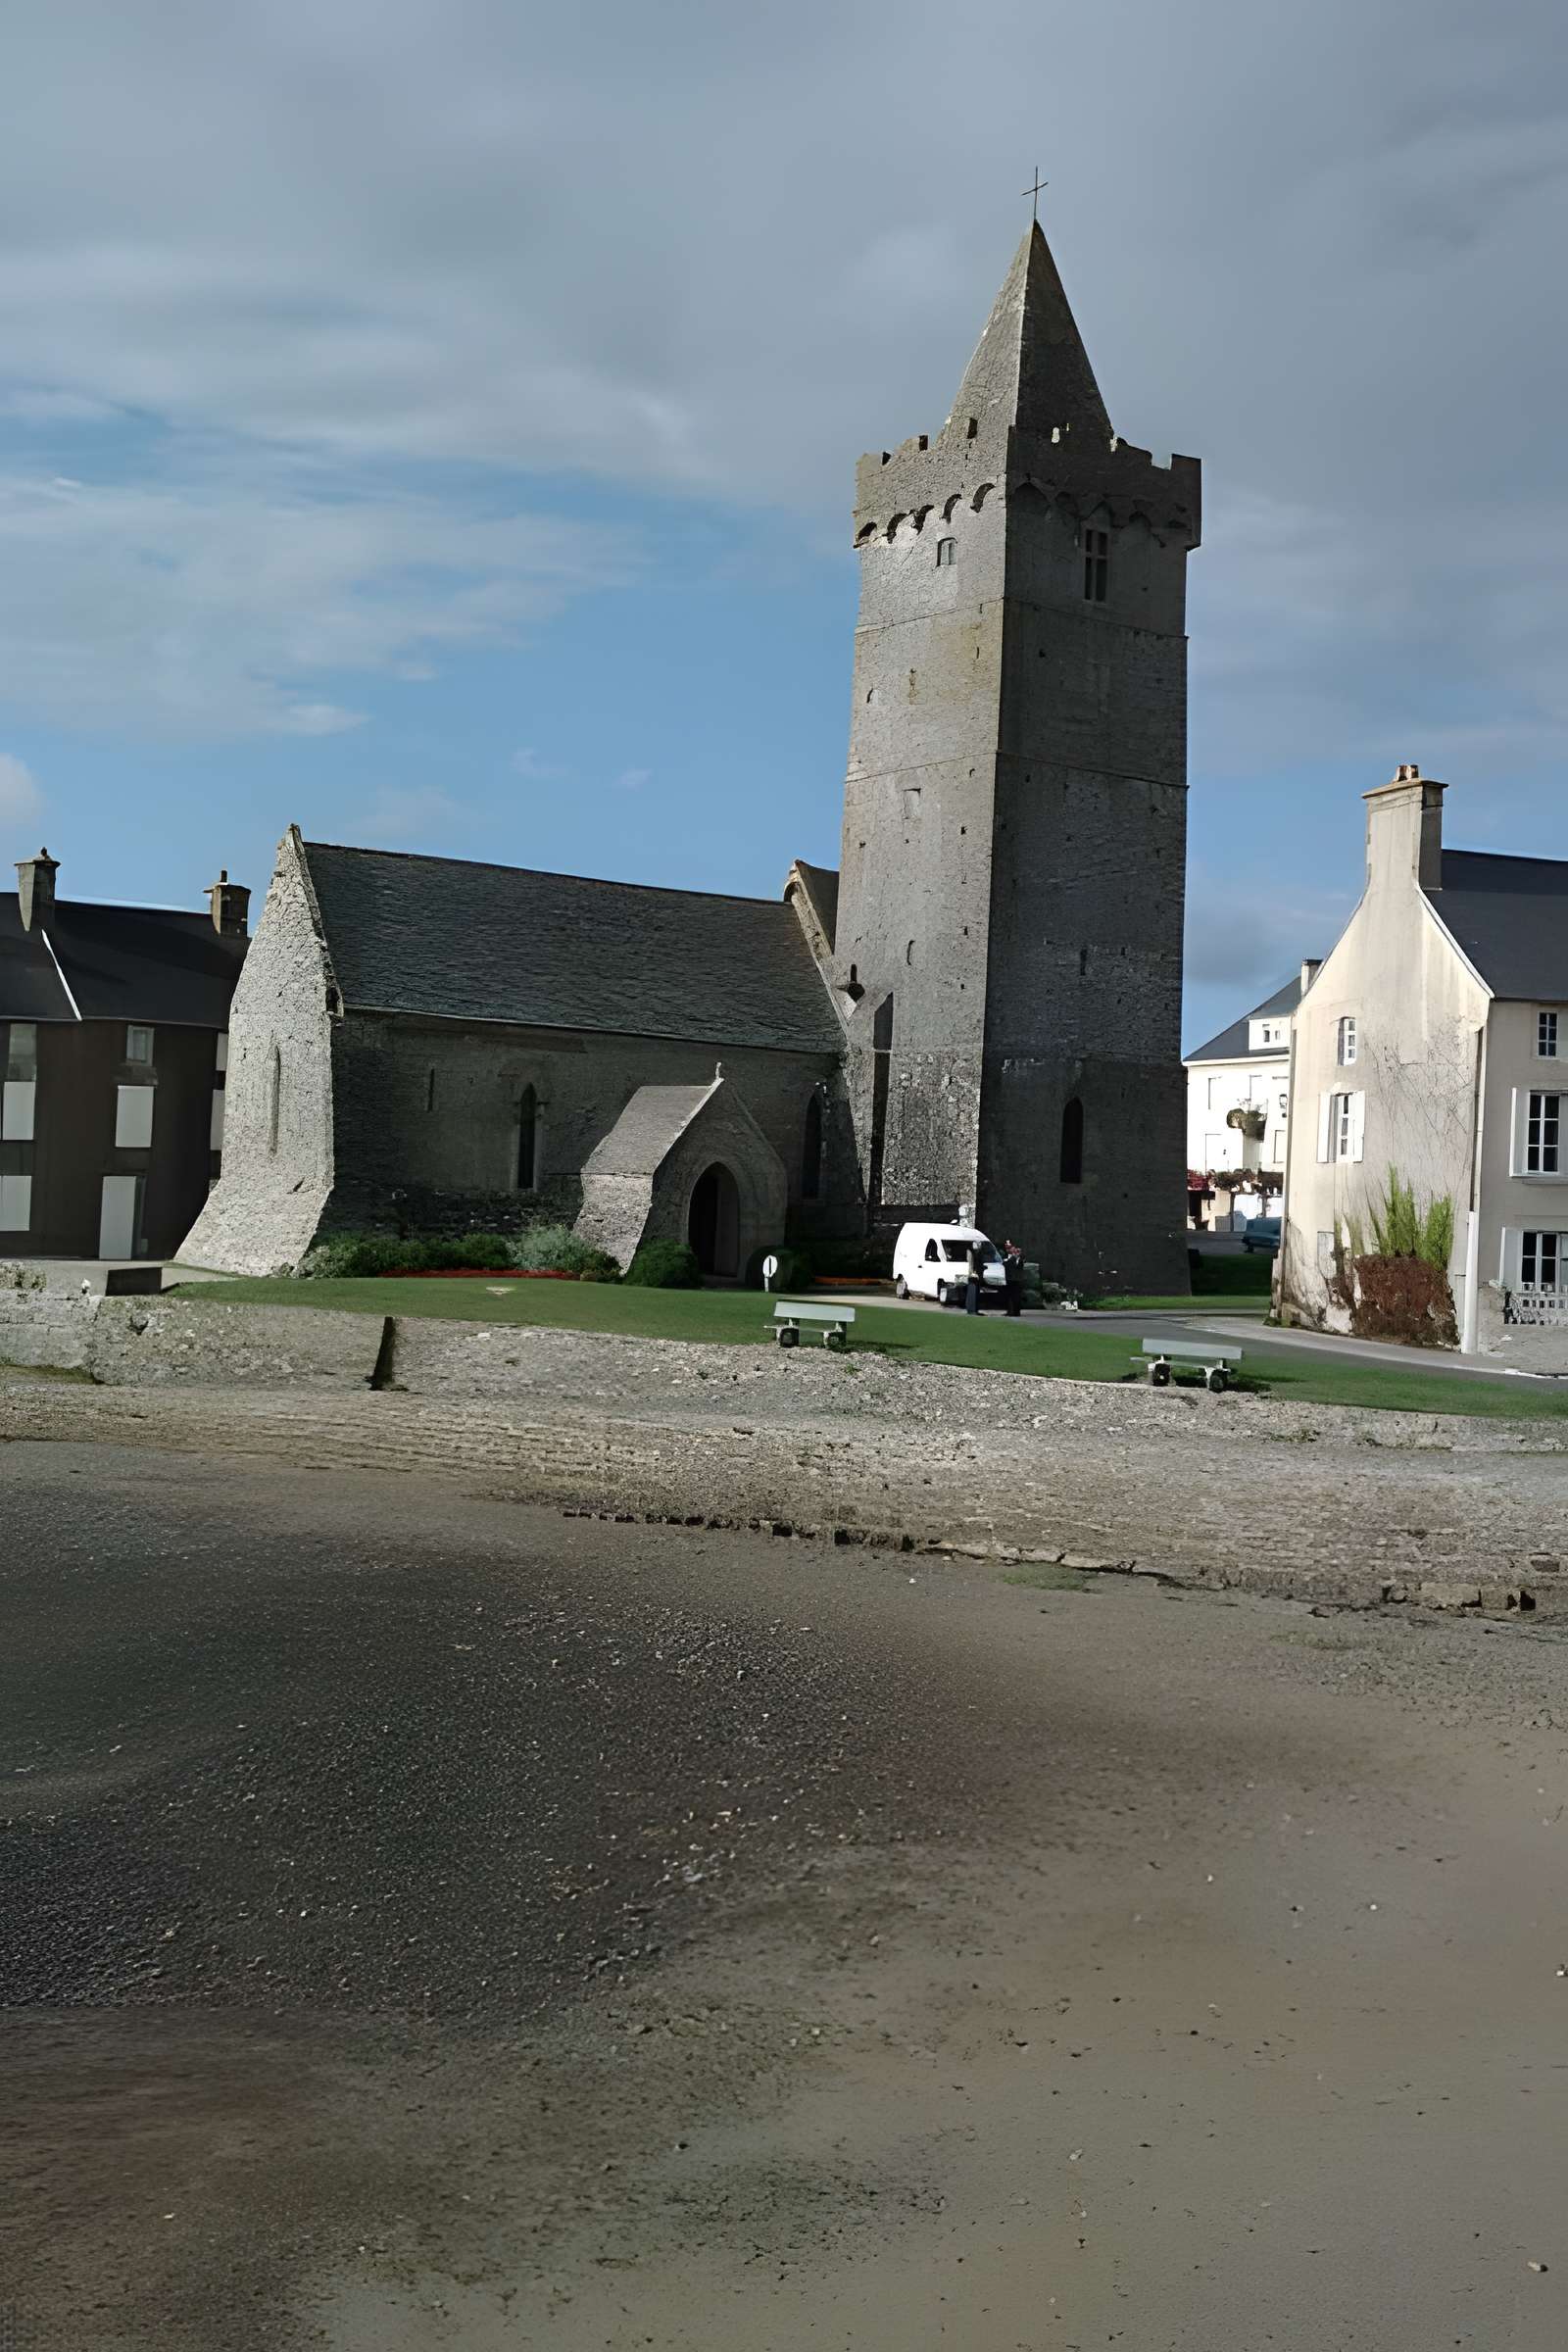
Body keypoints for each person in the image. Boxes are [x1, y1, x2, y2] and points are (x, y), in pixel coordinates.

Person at [1002, 1238, 1024, 1318]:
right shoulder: (1007, 1256)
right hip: (1009, 1279)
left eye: (1010, 1247)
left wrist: (1017, 1256)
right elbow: (1005, 1264)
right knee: (1009, 1296)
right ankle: (1010, 1311)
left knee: (1017, 1296)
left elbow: (1019, 1264)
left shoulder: (1018, 1258)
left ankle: (1016, 1311)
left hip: (1017, 1279)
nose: (1008, 1249)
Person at [964, 1237, 983, 1315]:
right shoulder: (970, 1252)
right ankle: (971, 1309)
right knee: (972, 1293)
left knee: (976, 1293)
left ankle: (975, 1309)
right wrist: (972, 1273)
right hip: (972, 1276)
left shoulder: (978, 1253)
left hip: (977, 1275)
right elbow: (970, 1264)